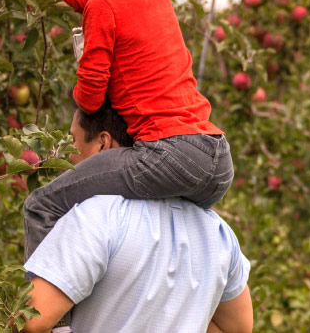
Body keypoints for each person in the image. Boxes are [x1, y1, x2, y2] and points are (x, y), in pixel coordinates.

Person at [21, 0, 233, 261]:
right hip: (216, 159)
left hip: (168, 155)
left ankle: (48, 301)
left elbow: (90, 98)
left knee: (41, 205)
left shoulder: (107, 6)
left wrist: (84, 76)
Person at [21, 103, 253, 333]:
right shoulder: (218, 232)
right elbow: (237, 327)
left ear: (103, 144)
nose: (68, 154)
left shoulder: (96, 215)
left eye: (73, 141)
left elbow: (31, 320)